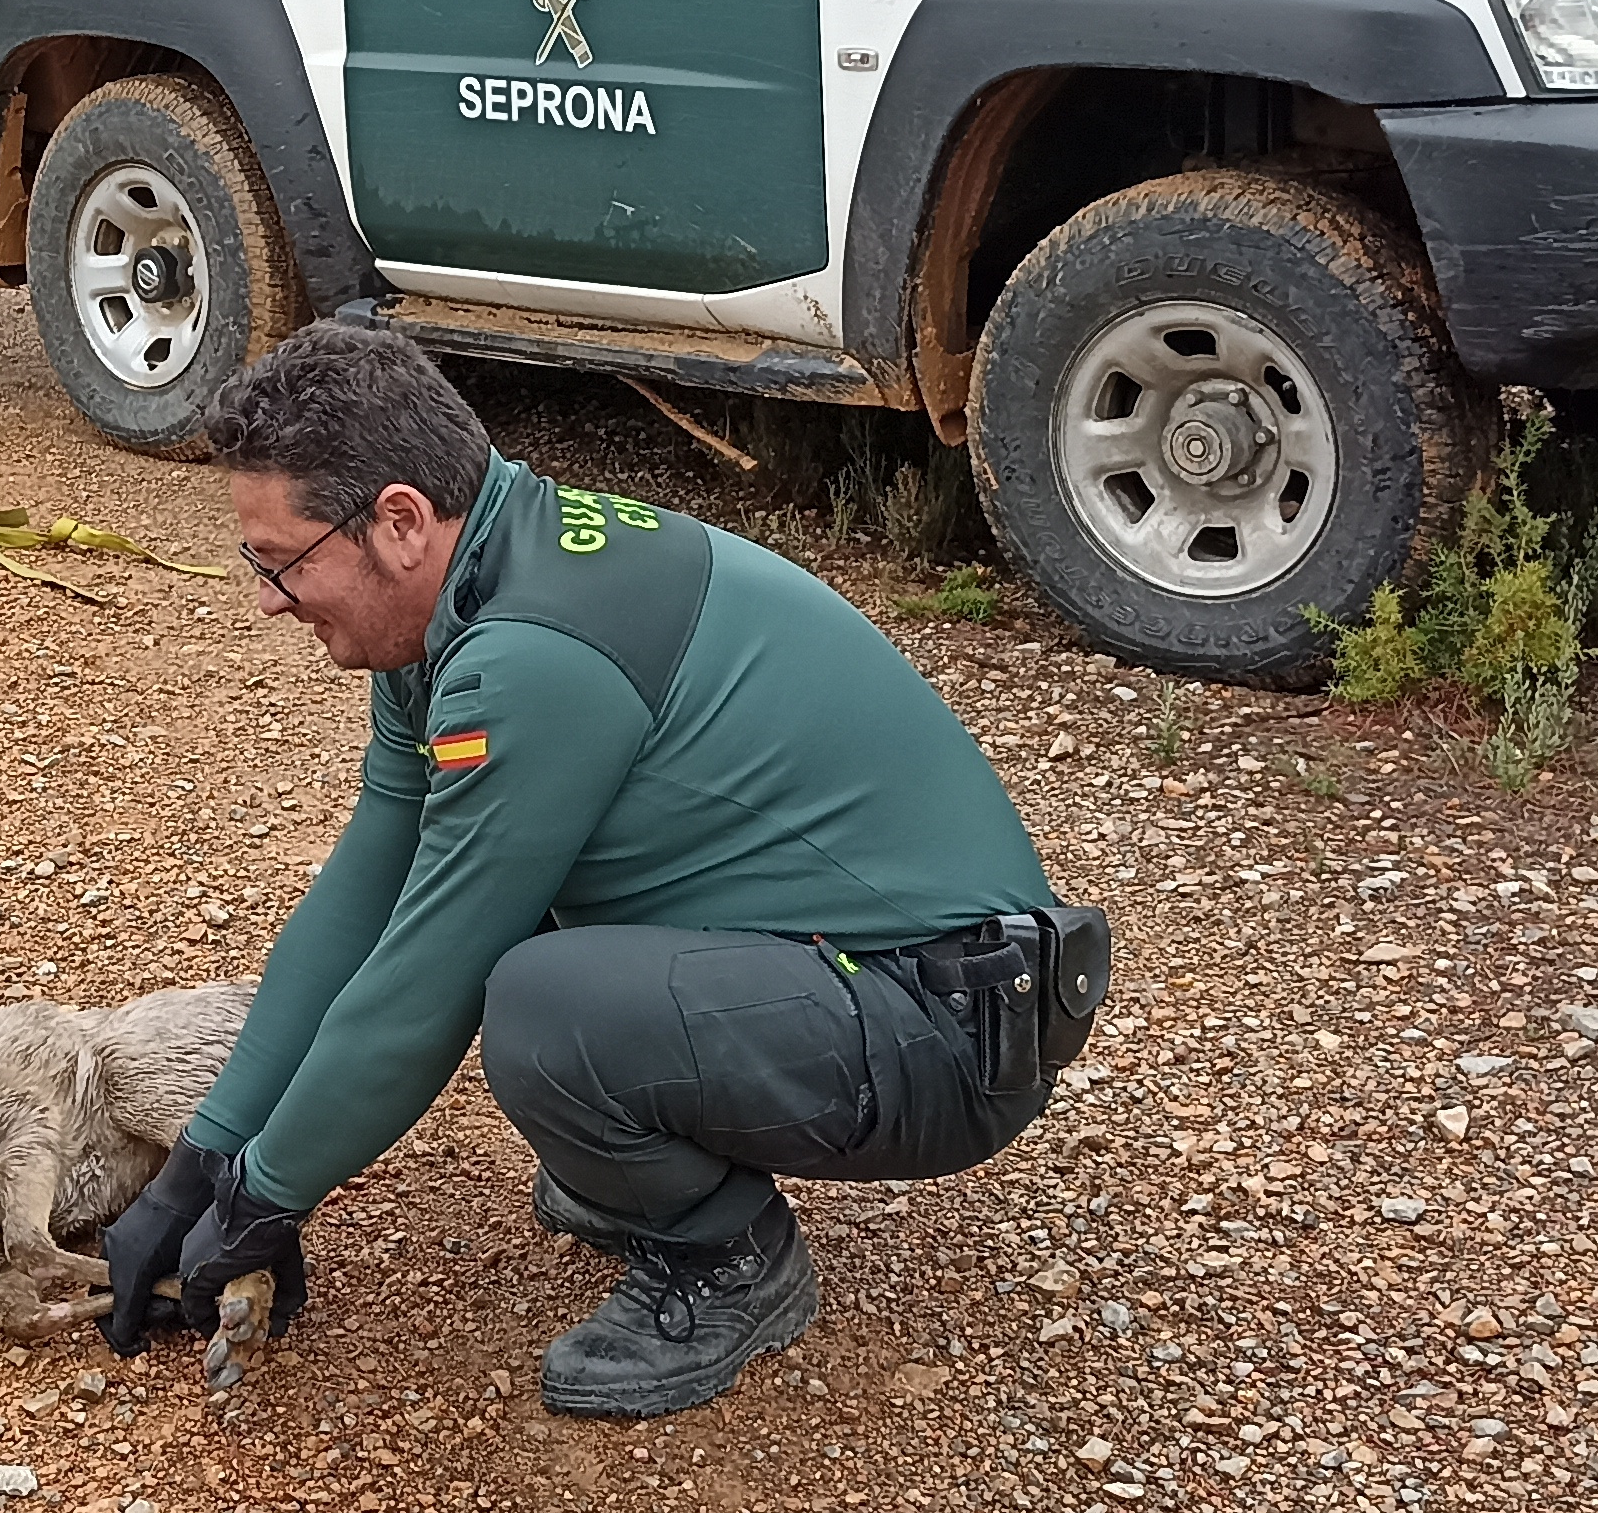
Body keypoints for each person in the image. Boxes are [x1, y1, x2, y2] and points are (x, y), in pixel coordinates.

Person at [99, 323, 1107, 1417]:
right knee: (522, 939)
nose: (267, 599)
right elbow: (363, 904)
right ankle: (640, 1161)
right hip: (864, 977)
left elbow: (423, 985)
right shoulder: (467, 596)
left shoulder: (530, 657)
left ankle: (725, 1257)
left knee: (537, 995)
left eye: (281, 562)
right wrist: (206, 1157)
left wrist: (266, 1196)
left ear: (396, 521)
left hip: (947, 1030)